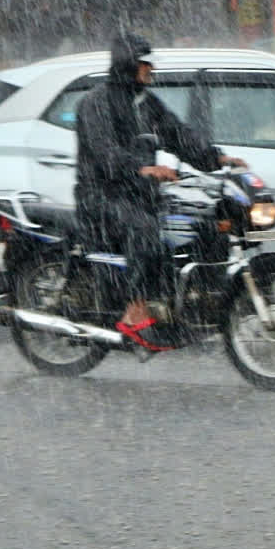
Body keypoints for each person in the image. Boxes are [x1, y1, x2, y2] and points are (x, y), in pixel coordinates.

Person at [75, 33, 246, 350]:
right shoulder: (95, 103)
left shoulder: (147, 103)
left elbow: (178, 135)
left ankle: (186, 306)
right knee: (144, 229)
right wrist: (143, 169)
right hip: (100, 196)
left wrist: (215, 157)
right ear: (128, 64)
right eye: (144, 63)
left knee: (201, 225)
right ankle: (134, 311)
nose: (150, 69)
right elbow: (104, 154)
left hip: (141, 195)